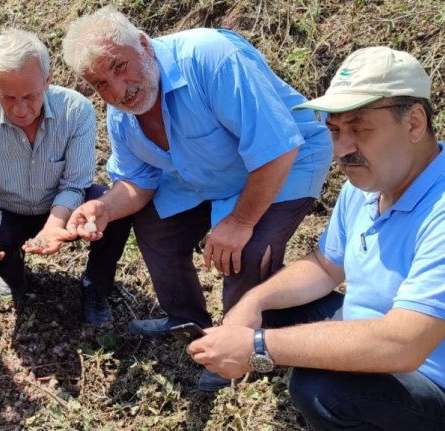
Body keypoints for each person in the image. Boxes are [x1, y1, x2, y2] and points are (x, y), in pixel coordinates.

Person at [61, 7, 332, 390]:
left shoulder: (212, 58)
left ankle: (241, 348)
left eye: (120, 67)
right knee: (154, 226)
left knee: (248, 251)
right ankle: (186, 322)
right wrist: (103, 206)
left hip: (285, 158)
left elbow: (276, 149)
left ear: (143, 44)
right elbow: (138, 183)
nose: (118, 91)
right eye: (100, 83)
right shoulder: (120, 114)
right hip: (207, 172)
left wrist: (238, 222)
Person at [186, 46, 445, 429]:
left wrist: (258, 347)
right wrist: (254, 300)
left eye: (359, 129)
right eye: (335, 130)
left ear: (413, 123)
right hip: (378, 327)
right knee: (268, 303)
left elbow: (403, 344)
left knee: (323, 389)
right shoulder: (368, 185)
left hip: (429, 374)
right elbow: (326, 265)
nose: (341, 149)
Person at [0, 29, 130, 327]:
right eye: (7, 97)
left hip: (63, 207)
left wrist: (54, 226)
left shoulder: (77, 110)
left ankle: (95, 287)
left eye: (30, 96)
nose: (20, 109)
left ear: (47, 81)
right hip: (7, 209)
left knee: (114, 212)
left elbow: (75, 183)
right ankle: (13, 274)